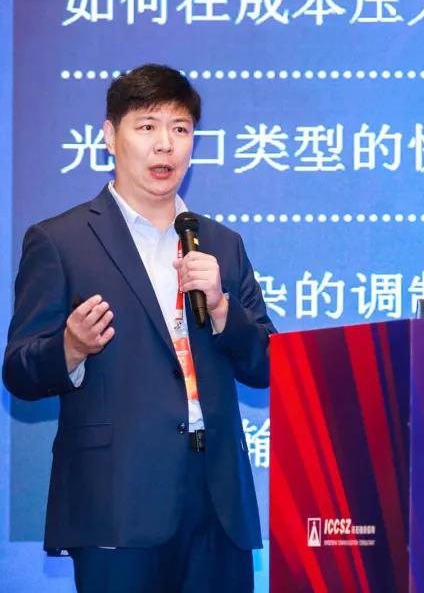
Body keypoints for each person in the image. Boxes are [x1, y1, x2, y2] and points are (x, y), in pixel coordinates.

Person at [3, 64, 275, 593]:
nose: (165, 145)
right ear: (110, 136)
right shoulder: (61, 241)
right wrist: (70, 348)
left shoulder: (221, 244)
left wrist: (223, 309)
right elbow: (19, 370)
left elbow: (269, 364)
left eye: (180, 129)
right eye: (147, 126)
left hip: (217, 503)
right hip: (116, 503)